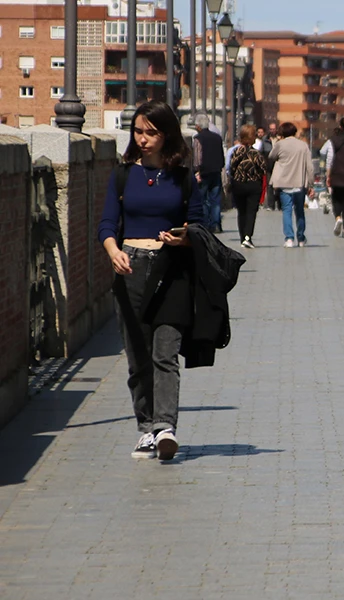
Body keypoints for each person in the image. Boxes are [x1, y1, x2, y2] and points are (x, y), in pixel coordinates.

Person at [97, 101, 205, 461]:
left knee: (165, 353)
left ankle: (165, 427)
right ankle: (146, 427)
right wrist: (113, 251)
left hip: (172, 269)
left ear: (167, 135)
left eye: (151, 133)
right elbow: (107, 223)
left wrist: (185, 237)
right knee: (138, 356)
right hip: (131, 269)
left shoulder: (183, 177)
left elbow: (200, 224)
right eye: (138, 132)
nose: (143, 139)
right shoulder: (123, 174)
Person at [268, 122, 315, 248]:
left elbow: (271, 156)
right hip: (299, 182)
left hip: (284, 183)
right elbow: (310, 167)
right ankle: (301, 238)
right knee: (299, 211)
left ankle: (289, 238)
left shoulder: (280, 145)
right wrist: (311, 184)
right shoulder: (303, 145)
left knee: (287, 211)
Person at [225, 125, 267, 248]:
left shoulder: (236, 152)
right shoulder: (256, 153)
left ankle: (242, 237)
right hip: (253, 185)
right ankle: (248, 237)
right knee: (251, 211)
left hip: (238, 184)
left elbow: (231, 168)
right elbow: (263, 169)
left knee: (241, 211)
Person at [191, 113, 225, 232]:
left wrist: (196, 171)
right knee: (215, 200)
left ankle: (205, 224)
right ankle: (216, 224)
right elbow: (221, 155)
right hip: (216, 171)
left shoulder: (198, 138)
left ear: (198, 126)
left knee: (203, 199)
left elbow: (197, 157)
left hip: (204, 173)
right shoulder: (217, 137)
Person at [259, 123, 278, 210]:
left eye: (274, 129)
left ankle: (280, 204)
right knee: (269, 185)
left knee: (279, 185)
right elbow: (261, 153)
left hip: (278, 165)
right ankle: (271, 205)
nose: (272, 130)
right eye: (271, 129)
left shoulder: (280, 139)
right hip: (268, 165)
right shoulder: (265, 139)